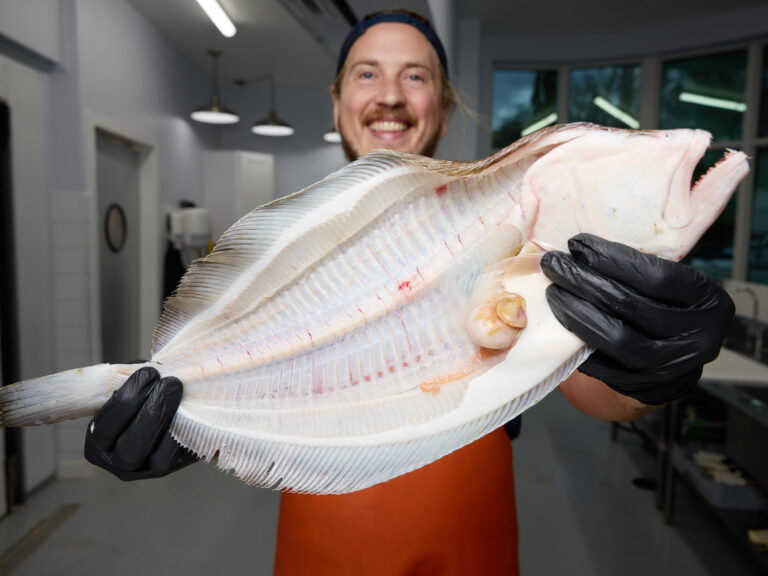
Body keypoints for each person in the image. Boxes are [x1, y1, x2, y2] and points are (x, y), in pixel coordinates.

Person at [84, 10, 734, 576]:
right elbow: (246, 380)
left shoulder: (509, 221)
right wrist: (182, 420)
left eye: (415, 76)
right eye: (367, 73)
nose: (389, 95)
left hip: (469, 553)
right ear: (337, 101)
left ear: (444, 107)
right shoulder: (283, 254)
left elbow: (598, 389)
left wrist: (651, 370)